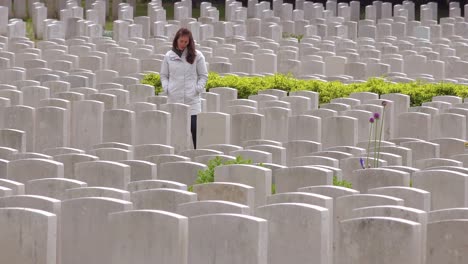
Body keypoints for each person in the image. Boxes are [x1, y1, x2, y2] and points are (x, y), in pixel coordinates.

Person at [160, 28, 208, 149]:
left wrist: (197, 89)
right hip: (174, 100)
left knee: (195, 130)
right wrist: (167, 88)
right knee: (175, 132)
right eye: (181, 41)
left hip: (192, 101)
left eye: (186, 42)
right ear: (176, 40)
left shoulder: (197, 56)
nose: (183, 44)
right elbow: (164, 75)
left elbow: (203, 75)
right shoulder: (168, 56)